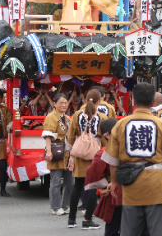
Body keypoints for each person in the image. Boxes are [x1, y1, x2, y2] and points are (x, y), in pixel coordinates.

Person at [102, 82, 162, 236]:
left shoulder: (120, 125)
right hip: (157, 183)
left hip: (131, 184)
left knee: (130, 231)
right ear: (153, 102)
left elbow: (112, 160)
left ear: (133, 100)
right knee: (159, 232)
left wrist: (114, 181)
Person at [66, 89, 107, 229]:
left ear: (85, 100)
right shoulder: (101, 117)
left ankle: (71, 220)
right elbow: (105, 138)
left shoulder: (76, 115)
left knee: (77, 185)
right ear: (98, 101)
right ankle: (87, 220)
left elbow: (70, 137)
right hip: (94, 154)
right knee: (92, 186)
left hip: (79, 154)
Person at [84, 118, 123, 235]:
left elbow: (92, 173)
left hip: (117, 191)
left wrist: (101, 187)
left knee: (115, 227)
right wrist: (103, 187)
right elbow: (93, 171)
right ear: (108, 135)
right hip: (117, 192)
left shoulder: (105, 152)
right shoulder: (104, 153)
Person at [43, 93, 73, 216]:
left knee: (69, 181)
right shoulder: (51, 117)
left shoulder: (68, 118)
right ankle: (56, 206)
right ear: (54, 104)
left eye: (65, 102)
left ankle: (66, 205)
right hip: (56, 150)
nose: (64, 105)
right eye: (61, 102)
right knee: (55, 181)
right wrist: (49, 151)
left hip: (68, 152)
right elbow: (48, 135)